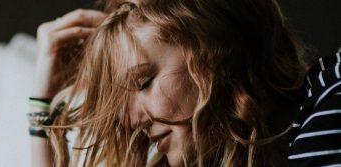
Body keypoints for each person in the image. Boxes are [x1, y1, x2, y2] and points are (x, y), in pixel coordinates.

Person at [26, 0, 341, 166]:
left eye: (144, 82)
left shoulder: (331, 103)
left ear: (214, 48)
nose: (132, 119)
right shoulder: (227, 152)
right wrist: (42, 106)